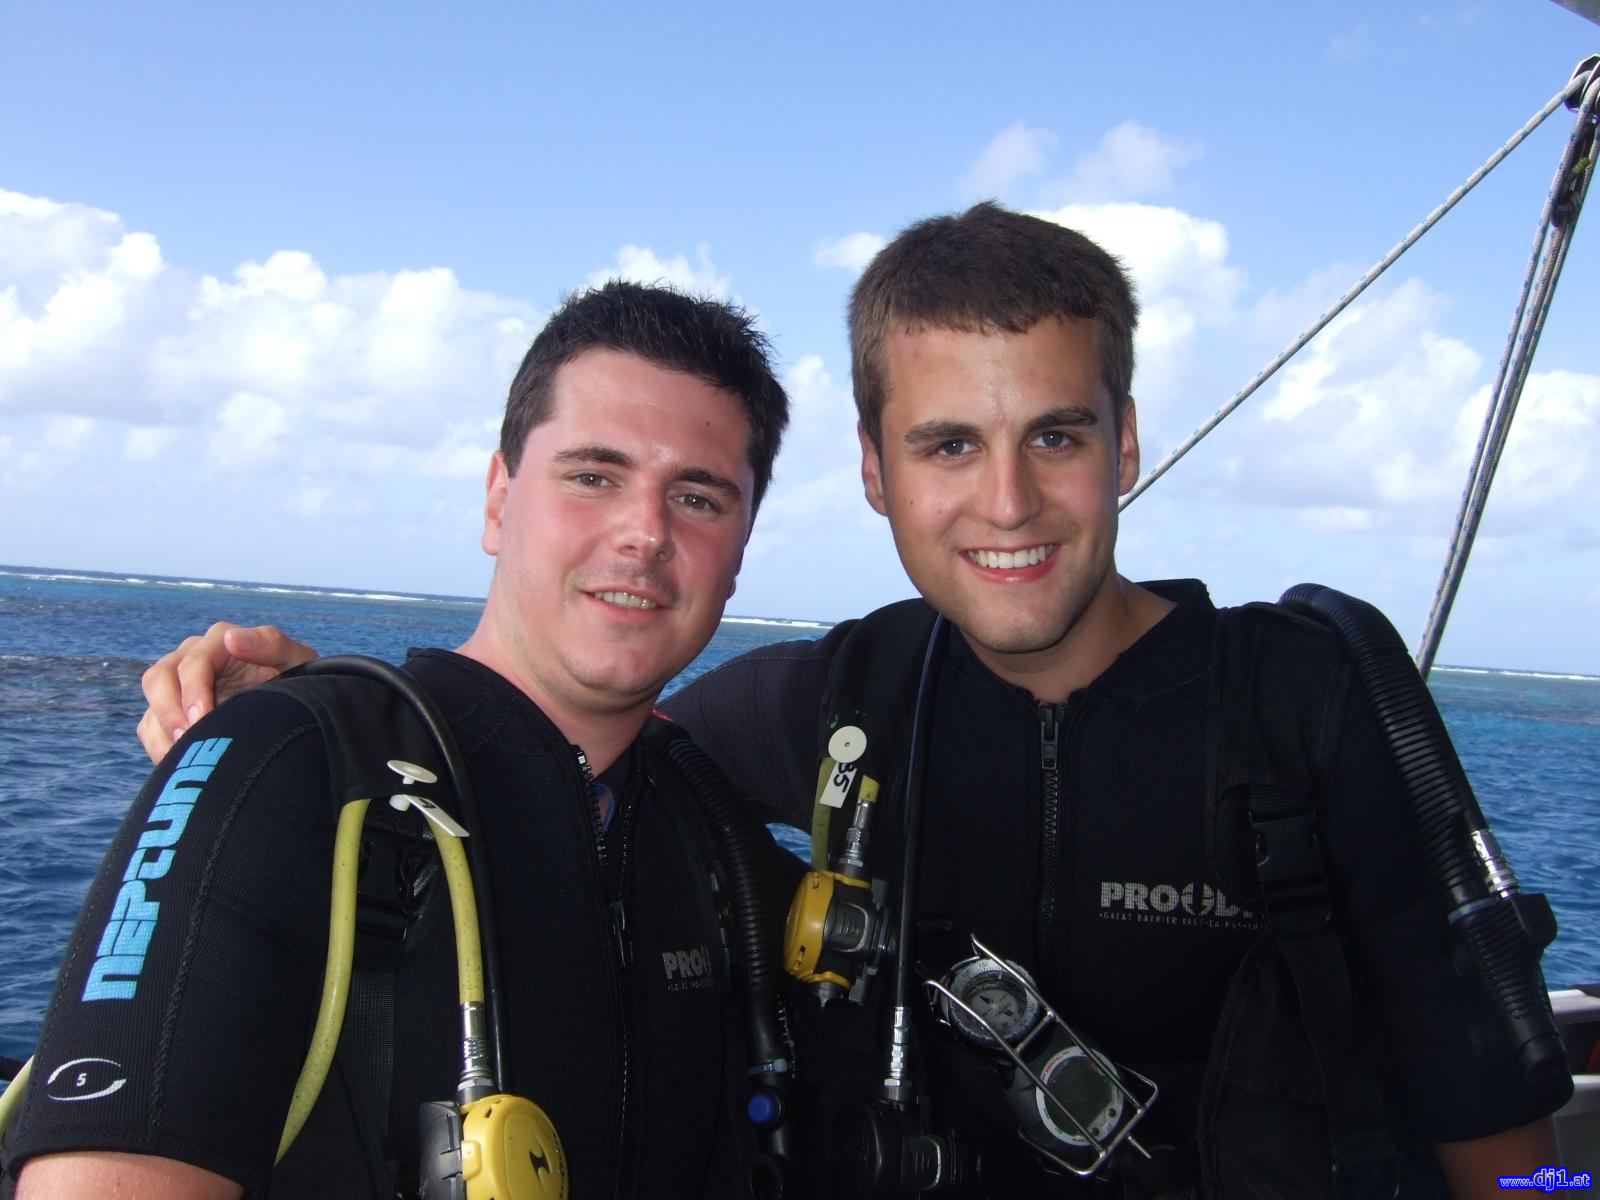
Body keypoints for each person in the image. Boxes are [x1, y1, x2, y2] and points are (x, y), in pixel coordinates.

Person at [128, 204, 1573, 1197]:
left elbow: (1512, 1138)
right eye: (947, 446)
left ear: (1125, 444)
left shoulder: (1309, 704)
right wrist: (336, 719)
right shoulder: (846, 699)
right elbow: (551, 742)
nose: (1006, 503)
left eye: (1054, 436)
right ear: (876, 475)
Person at [1, 280, 795, 1200]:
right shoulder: (289, 764)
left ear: (740, 549)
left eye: (698, 498)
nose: (644, 533)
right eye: (592, 476)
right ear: (498, 501)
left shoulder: (709, 836)